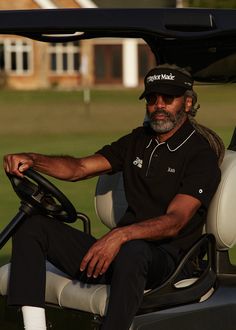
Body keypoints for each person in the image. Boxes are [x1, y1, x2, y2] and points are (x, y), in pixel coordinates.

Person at [3, 64, 224, 330]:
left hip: (170, 261)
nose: (159, 105)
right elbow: (79, 168)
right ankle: (34, 327)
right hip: (125, 252)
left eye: (168, 98)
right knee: (33, 226)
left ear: (187, 103)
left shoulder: (200, 155)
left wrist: (120, 235)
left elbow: (176, 220)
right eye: (152, 99)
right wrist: (33, 160)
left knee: (135, 250)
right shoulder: (138, 140)